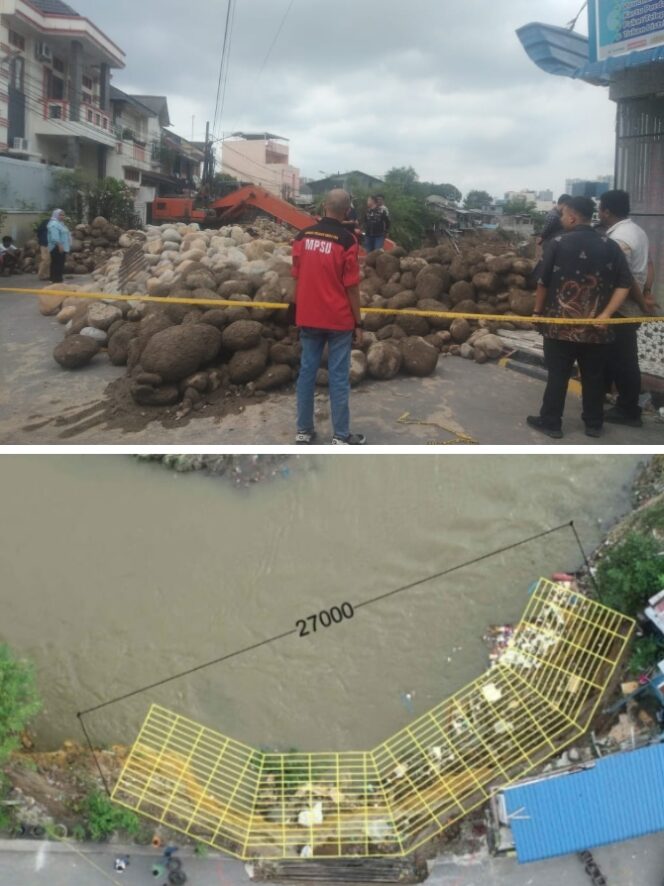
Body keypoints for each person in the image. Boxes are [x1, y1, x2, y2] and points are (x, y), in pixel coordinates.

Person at [526, 195, 633, 439]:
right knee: (594, 377)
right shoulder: (610, 245)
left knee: (558, 375)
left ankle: (551, 422)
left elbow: (542, 282)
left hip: (559, 327)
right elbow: (624, 284)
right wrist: (605, 314)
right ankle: (594, 424)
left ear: (572, 217)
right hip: (596, 329)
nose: (562, 219)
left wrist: (537, 312)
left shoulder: (557, 242)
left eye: (563, 215)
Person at [291, 188, 365, 445]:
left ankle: (303, 430)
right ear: (347, 212)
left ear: (324, 206)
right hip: (339, 320)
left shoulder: (302, 237)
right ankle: (341, 436)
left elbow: (297, 277)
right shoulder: (347, 241)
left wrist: (295, 309)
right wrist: (358, 322)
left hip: (308, 317)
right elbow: (352, 287)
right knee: (338, 377)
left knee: (307, 373)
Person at [598, 189, 656, 428]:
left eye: (601, 208)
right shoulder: (636, 231)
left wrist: (642, 303)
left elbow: (626, 277)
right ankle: (621, 402)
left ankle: (629, 409)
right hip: (629, 305)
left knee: (624, 360)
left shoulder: (621, 238)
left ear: (607, 211)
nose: (599, 213)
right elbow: (649, 265)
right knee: (617, 357)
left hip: (623, 308)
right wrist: (646, 292)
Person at [46, 208, 71, 283]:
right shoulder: (54, 224)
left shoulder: (61, 224)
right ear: (56, 215)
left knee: (58, 263)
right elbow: (54, 236)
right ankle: (57, 280)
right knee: (58, 263)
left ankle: (54, 278)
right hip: (56, 247)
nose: (62, 216)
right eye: (60, 215)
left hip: (62, 246)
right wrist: (59, 245)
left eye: (63, 215)